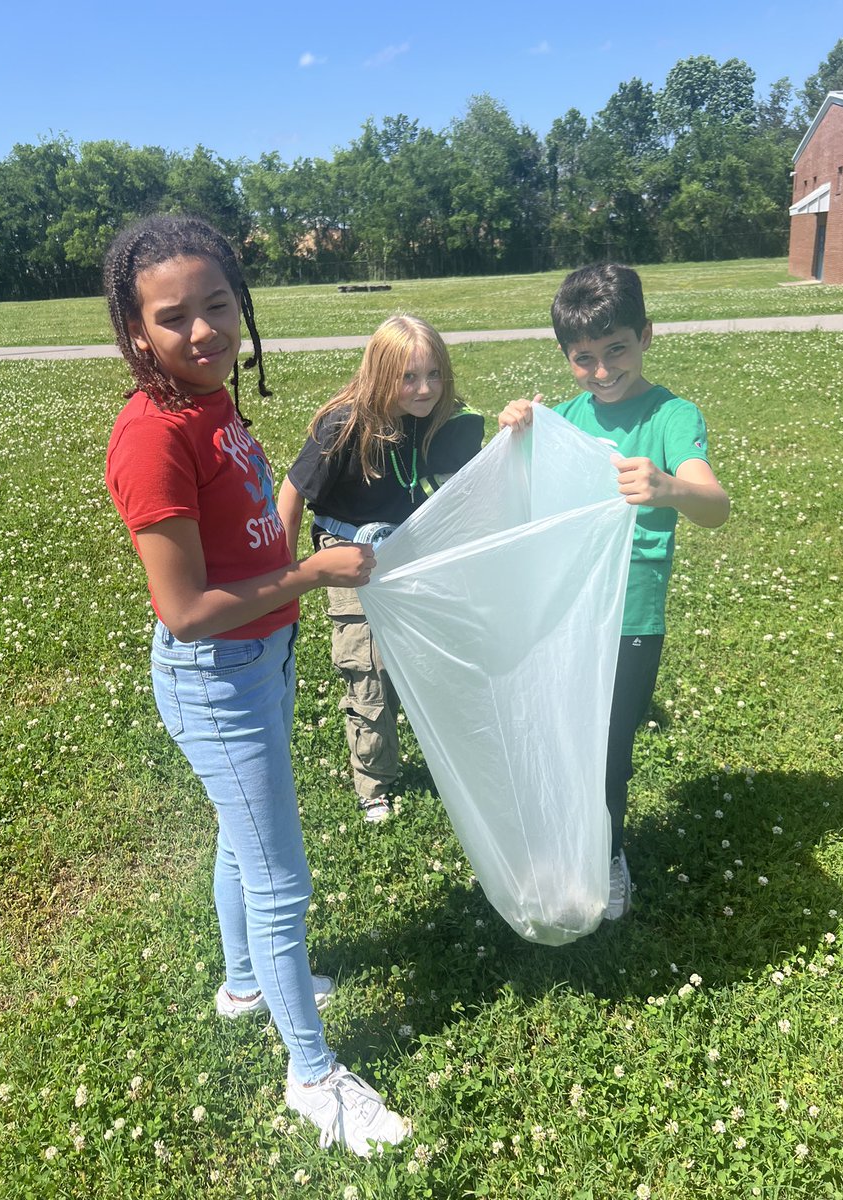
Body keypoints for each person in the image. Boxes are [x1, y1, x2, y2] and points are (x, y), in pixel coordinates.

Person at [103, 214, 408, 1156]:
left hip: (259, 660)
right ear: (135, 330)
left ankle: (245, 984)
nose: (203, 331)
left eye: (218, 305)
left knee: (243, 846)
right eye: (172, 317)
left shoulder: (212, 402)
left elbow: (249, 525)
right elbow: (187, 610)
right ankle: (311, 1076)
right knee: (282, 881)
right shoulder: (152, 436)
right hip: (217, 676)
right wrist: (311, 575)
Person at [498, 263, 729, 920]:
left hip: (630, 618)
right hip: (564, 613)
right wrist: (515, 432)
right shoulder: (563, 418)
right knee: (557, 737)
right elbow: (513, 492)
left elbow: (715, 505)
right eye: (584, 358)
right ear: (566, 357)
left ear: (646, 335)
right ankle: (562, 848)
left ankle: (605, 856)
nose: (602, 371)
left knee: (606, 750)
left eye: (617, 350)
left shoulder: (671, 416)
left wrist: (669, 487)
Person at [278, 315, 484, 823]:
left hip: (409, 547)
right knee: (368, 669)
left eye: (434, 374)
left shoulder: (445, 420)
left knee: (432, 658)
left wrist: (517, 428)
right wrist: (281, 577)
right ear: (380, 374)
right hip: (349, 550)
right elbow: (292, 493)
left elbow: (475, 484)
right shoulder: (343, 425)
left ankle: (453, 758)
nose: (424, 388)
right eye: (408, 377)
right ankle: (374, 782)